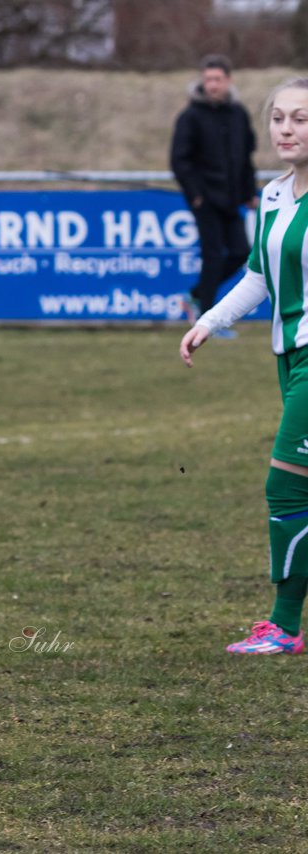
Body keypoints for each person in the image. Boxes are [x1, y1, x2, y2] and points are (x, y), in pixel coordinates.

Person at [179, 76, 308, 655]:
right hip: (289, 358)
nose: (286, 129)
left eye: (301, 118)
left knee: (284, 489)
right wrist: (210, 320)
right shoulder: (277, 194)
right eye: (279, 117)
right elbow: (258, 274)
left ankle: (283, 626)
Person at [170, 54, 260, 337]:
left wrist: (248, 192)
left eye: (217, 79)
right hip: (205, 201)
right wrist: (196, 195)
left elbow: (245, 157)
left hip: (232, 199)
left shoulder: (238, 114)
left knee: (240, 253)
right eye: (207, 79)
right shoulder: (190, 116)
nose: (212, 85)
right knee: (212, 256)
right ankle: (206, 319)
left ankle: (195, 295)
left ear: (228, 80)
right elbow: (179, 160)